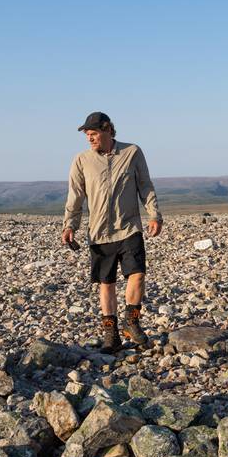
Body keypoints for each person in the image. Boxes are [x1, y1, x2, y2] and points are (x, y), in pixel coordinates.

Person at [62, 111, 163, 353]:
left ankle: (132, 321)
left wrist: (154, 214)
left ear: (108, 130)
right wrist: (69, 225)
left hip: (129, 228)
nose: (89, 138)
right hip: (99, 232)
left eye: (93, 133)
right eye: (87, 134)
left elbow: (145, 185)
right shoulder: (81, 160)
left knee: (137, 274)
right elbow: (75, 196)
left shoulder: (132, 153)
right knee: (106, 283)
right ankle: (111, 335)